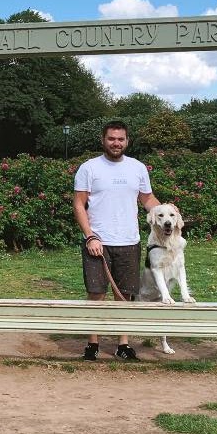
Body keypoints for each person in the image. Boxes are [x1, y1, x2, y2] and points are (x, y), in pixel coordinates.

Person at [72, 120, 160, 360]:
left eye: (120, 139)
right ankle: (92, 345)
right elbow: (79, 204)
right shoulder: (89, 168)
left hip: (129, 241)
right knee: (96, 294)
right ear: (103, 140)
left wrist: (166, 212)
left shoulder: (137, 168)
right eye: (111, 138)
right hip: (97, 242)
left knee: (125, 295)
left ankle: (123, 345)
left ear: (127, 141)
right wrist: (90, 236)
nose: (116, 143)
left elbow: (147, 199)